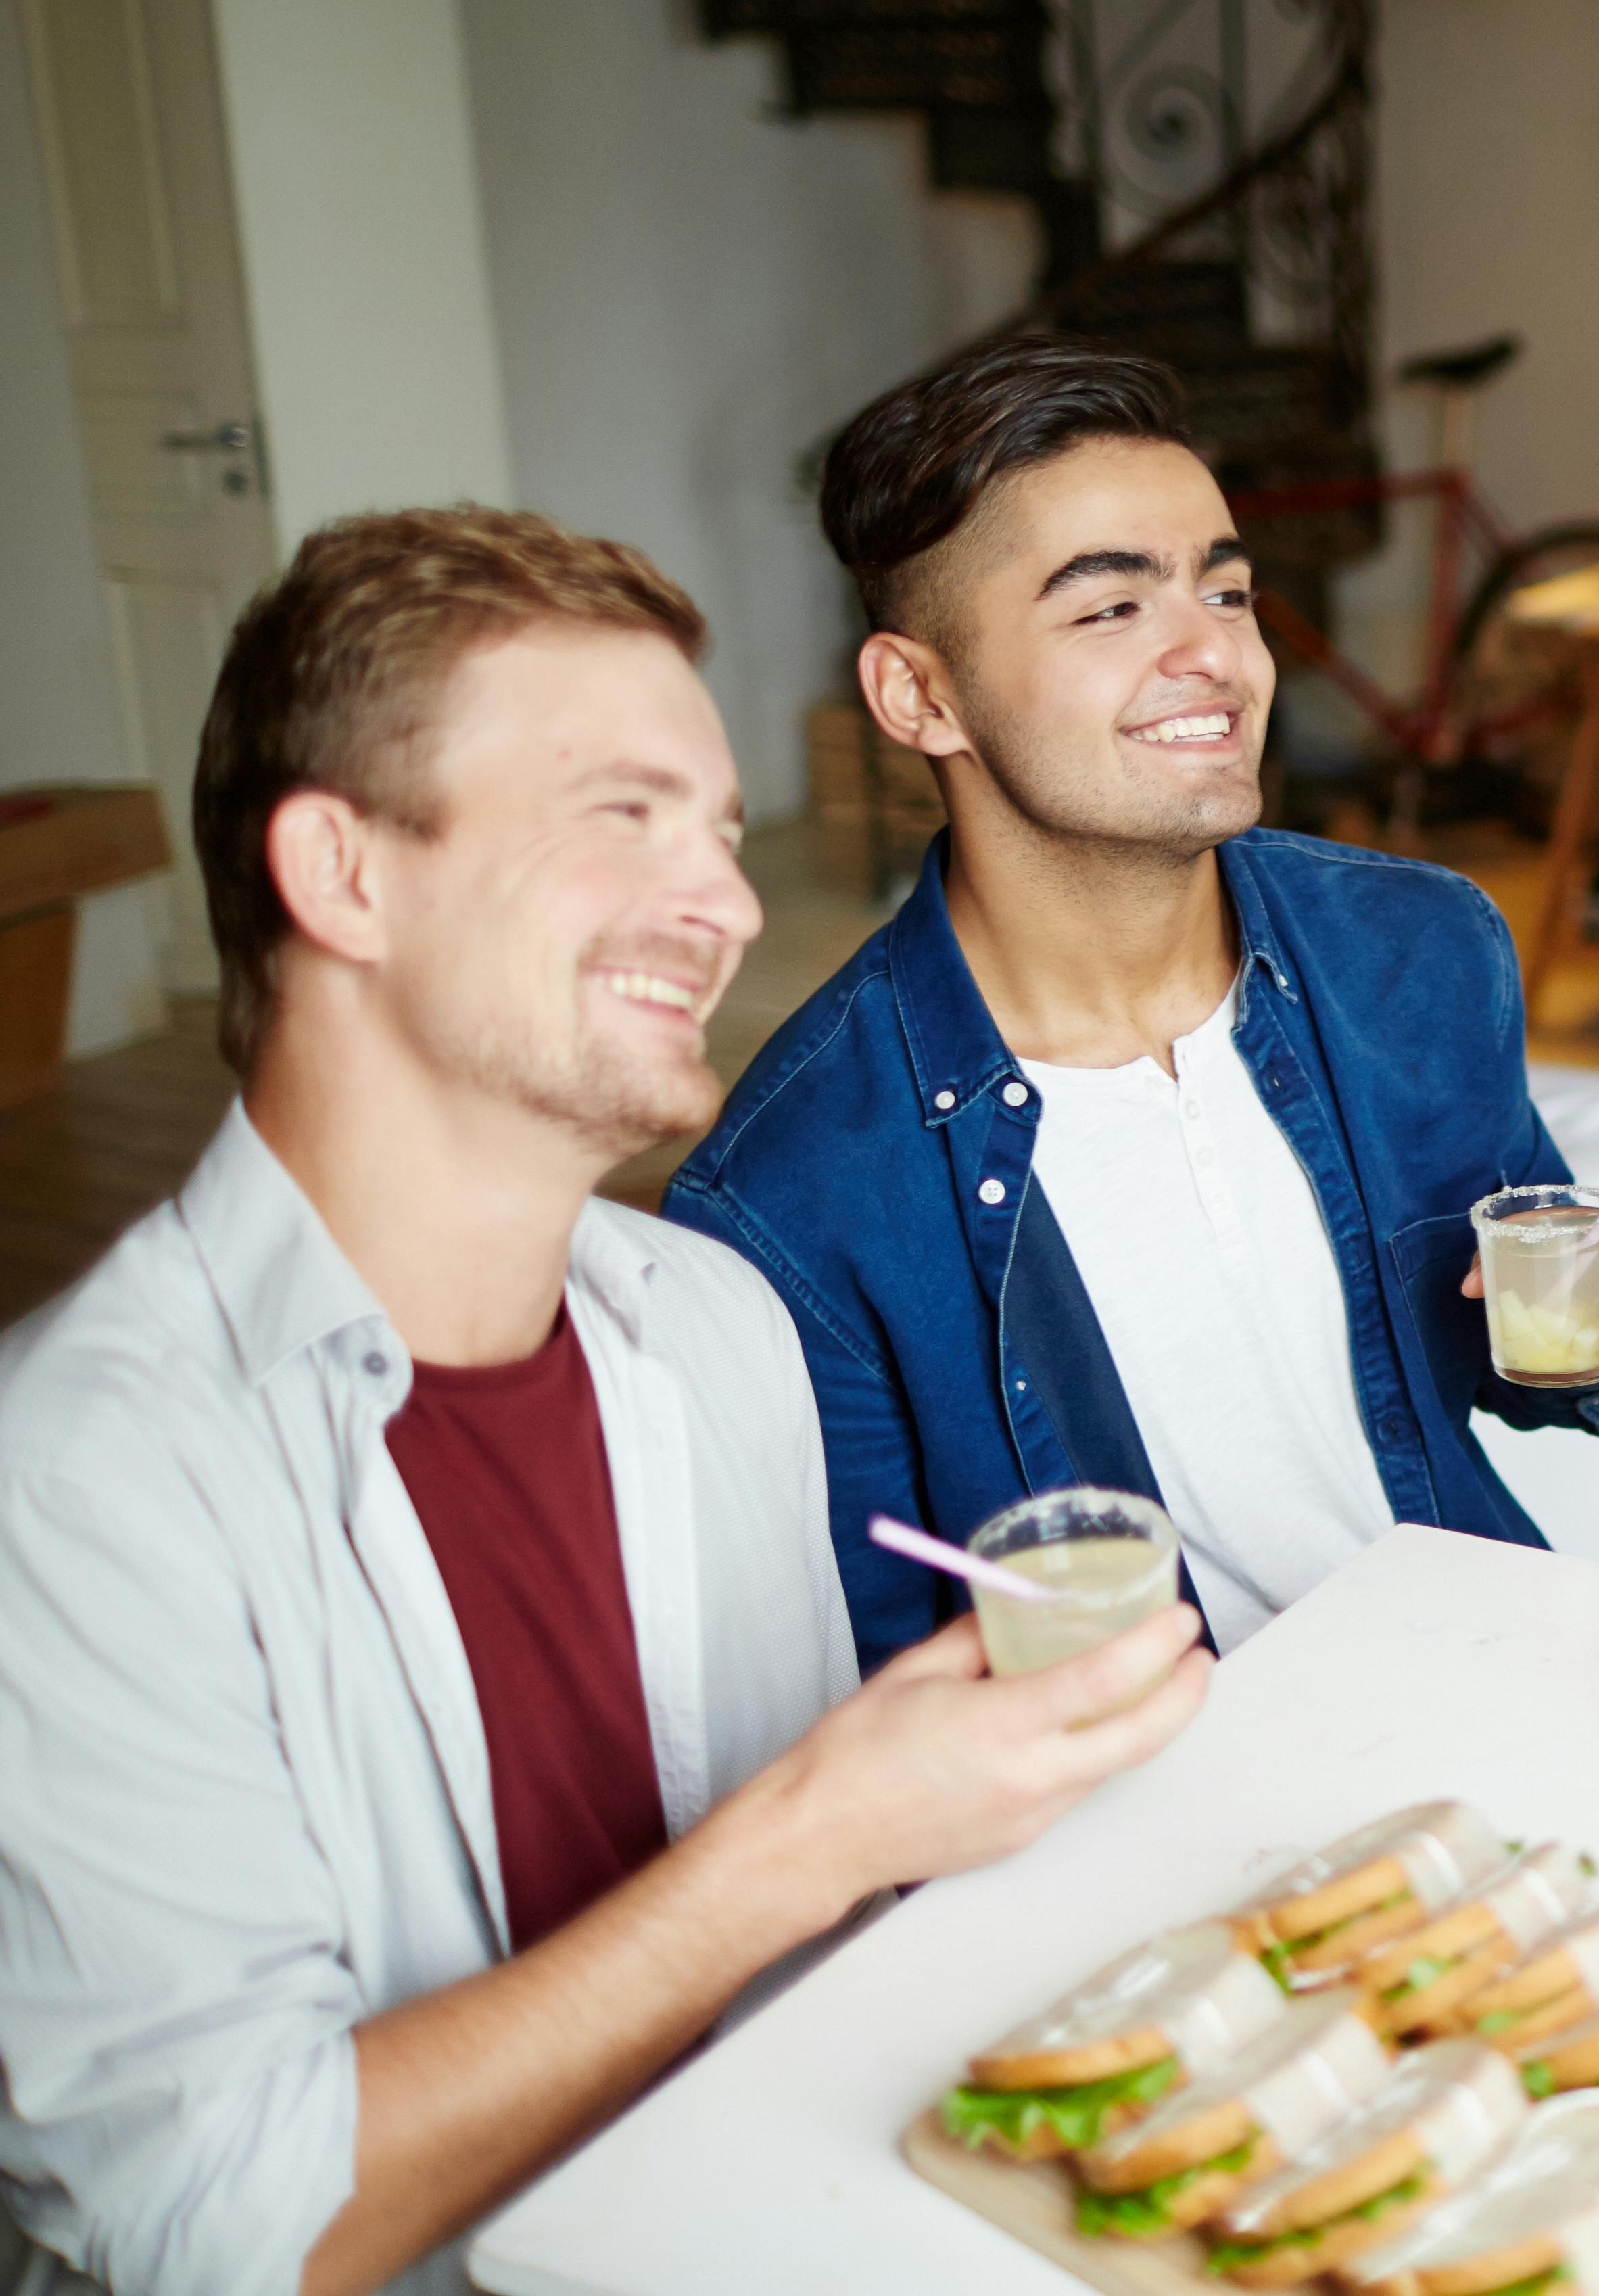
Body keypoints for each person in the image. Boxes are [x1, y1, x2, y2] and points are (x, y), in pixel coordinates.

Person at [0, 509, 1209, 2296]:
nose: (725, 898)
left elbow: (824, 1975)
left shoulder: (716, 1322)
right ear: (344, 879)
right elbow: (229, 2226)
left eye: (719, 830)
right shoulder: (79, 1476)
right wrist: (816, 1837)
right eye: (623, 814)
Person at [664, 335, 1599, 1669]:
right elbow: (874, 1665)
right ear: (919, 695)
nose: (1217, 655)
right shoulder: (797, 1194)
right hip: (1141, 1809)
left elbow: (1511, 1354)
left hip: (1482, 1674)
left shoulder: (1415, 950)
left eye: (1231, 591)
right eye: (1112, 608)